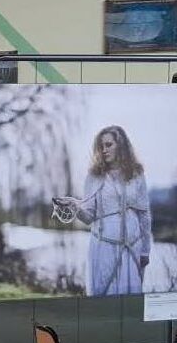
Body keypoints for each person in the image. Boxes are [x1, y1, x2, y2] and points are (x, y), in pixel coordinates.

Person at [56, 125, 151, 295]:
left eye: (109, 145)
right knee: (105, 297)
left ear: (121, 146)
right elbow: (88, 217)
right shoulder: (94, 176)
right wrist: (76, 206)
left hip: (132, 248)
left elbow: (144, 214)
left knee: (132, 300)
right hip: (104, 247)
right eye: (101, 146)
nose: (104, 150)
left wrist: (145, 250)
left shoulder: (136, 174)